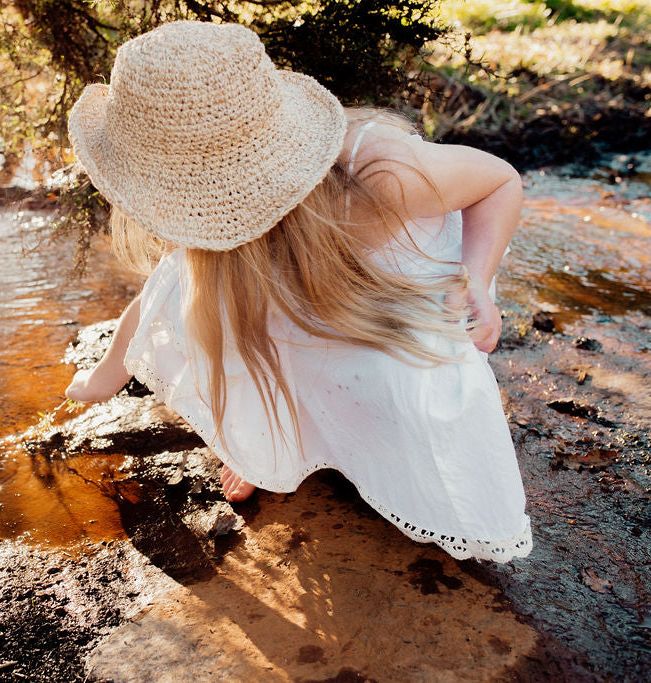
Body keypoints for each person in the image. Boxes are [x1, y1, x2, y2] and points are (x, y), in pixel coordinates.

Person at [63, 21, 532, 562]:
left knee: (421, 388)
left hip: (393, 287)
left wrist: (476, 279)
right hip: (296, 283)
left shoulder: (381, 174)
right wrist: (108, 374)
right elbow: (161, 292)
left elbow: (500, 181)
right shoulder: (221, 240)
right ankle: (269, 441)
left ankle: (331, 434)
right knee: (212, 313)